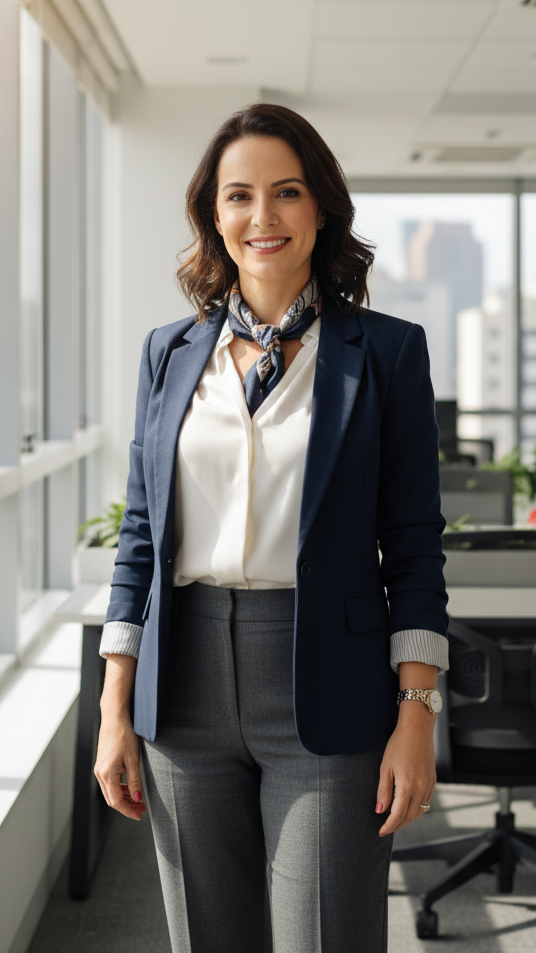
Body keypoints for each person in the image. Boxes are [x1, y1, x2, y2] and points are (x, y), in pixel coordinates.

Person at [94, 103, 448, 953]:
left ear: (320, 207)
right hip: (182, 687)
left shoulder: (387, 352)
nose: (264, 217)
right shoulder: (168, 353)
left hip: (328, 680)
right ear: (214, 215)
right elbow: (141, 537)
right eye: (240, 196)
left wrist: (418, 717)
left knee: (326, 936)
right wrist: (114, 707)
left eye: (286, 192)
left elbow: (414, 546)